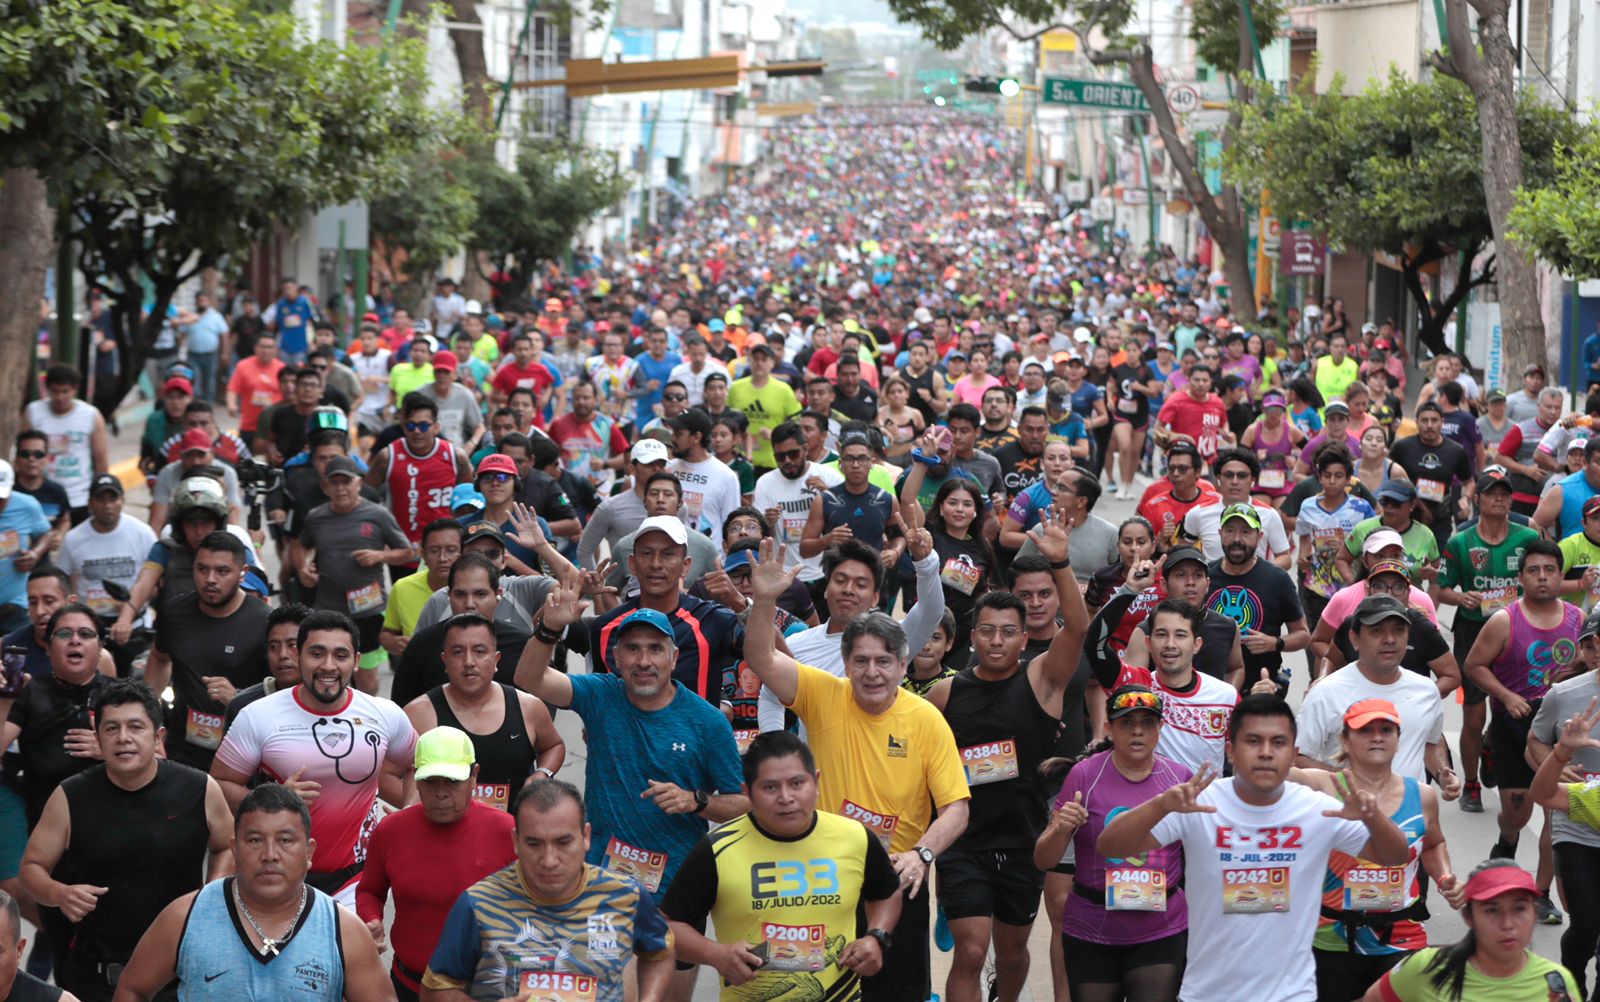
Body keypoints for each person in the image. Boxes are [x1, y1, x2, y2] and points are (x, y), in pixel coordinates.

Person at [743, 539, 971, 1002]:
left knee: (896, 993)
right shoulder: (822, 692)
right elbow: (762, 660)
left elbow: (957, 808)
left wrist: (922, 856)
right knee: (814, 989)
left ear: (902, 664)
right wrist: (764, 599)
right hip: (821, 877)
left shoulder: (925, 717)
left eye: (884, 661)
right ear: (845, 664)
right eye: (861, 661)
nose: (872, 673)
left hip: (897, 877)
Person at [1098, 694, 1411, 1002]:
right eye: (1253, 741)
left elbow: (1395, 856)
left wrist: (1373, 818)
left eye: (1278, 743)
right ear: (1231, 750)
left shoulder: (1319, 809)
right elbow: (1111, 846)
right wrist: (1160, 805)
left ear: (1293, 753)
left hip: (1291, 994)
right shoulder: (1198, 804)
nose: (1265, 753)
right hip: (1207, 994)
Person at [918, 507, 1086, 1002]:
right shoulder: (944, 695)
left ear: (1024, 637)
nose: (997, 641)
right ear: (972, 638)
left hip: (1024, 840)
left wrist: (1061, 564)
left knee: (1011, 955)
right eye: (987, 631)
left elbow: (1076, 630)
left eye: (1008, 632)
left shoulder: (1042, 680)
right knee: (971, 950)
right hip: (964, 841)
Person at [516, 591, 749, 924]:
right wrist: (549, 630)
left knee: (669, 974)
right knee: (609, 974)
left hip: (677, 889)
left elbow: (742, 803)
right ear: (616, 657)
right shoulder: (600, 693)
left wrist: (697, 801)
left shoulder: (708, 722)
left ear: (673, 657)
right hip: (602, 881)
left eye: (655, 649)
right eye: (633, 649)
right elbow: (529, 679)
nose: (643, 661)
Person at [19, 681, 233, 1002]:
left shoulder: (199, 787)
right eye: (112, 728)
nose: (123, 738)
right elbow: (31, 868)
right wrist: (59, 893)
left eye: (135, 727)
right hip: (98, 974)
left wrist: (210, 895)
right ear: (98, 738)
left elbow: (227, 845)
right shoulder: (70, 796)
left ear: (158, 736)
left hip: (182, 973)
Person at [659, 731, 903, 1002]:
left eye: (797, 783)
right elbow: (667, 925)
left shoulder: (855, 837)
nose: (786, 797)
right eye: (770, 787)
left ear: (817, 782)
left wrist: (876, 937)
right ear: (747, 793)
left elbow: (886, 892)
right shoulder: (716, 849)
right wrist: (715, 955)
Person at [111, 783, 392, 1001]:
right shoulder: (186, 917)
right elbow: (132, 989)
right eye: (255, 840)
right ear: (235, 849)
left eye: (285, 840)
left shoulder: (342, 930)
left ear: (309, 852)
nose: (270, 855)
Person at [210, 611, 417, 905]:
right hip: (277, 875)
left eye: (340, 655)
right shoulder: (258, 715)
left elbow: (418, 764)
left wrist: (409, 810)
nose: (328, 666)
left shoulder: (384, 713)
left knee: (348, 952)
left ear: (356, 661)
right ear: (298, 656)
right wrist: (270, 798)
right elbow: (218, 783)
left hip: (354, 879)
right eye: (317, 653)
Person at [421, 780, 676, 1002]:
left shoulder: (625, 896)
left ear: (586, 837)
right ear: (515, 841)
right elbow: (435, 990)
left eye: (563, 842)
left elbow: (660, 952)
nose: (549, 860)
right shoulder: (477, 905)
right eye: (534, 843)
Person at [1032, 685, 1191, 1002]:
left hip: (1162, 928)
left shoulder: (1179, 777)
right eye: (1126, 722)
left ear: (1161, 728)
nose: (1137, 732)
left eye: (1147, 722)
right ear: (1108, 727)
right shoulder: (1085, 775)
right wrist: (1061, 829)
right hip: (1093, 929)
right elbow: (1043, 860)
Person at [1299, 698, 1461, 1001]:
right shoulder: (1321, 787)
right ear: (1345, 740)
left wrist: (1445, 878)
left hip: (1401, 934)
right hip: (1332, 937)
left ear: (1399, 740)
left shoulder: (1422, 795)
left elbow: (1434, 842)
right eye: (1365, 730)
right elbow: (1278, 772)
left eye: (1386, 730)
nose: (1377, 737)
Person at [1463, 538, 1580, 924]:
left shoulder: (1578, 622)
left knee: (1555, 815)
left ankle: (1541, 892)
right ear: (1521, 578)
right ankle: (1507, 841)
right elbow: (1475, 665)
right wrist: (1507, 695)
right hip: (1514, 723)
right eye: (1533, 570)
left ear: (1561, 576)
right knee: (1516, 810)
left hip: (1560, 731)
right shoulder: (1504, 620)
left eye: (1549, 570)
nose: (1542, 577)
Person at [356, 727, 518, 1002]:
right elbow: (369, 890)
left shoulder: (506, 830)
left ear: (474, 776)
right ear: (415, 778)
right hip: (409, 986)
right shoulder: (391, 831)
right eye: (430, 781)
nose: (441, 793)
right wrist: (371, 920)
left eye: (452, 781)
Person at [1438, 469, 1542, 814]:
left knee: (1517, 707)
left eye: (1504, 493)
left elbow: (1547, 573)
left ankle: (1491, 746)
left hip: (1517, 633)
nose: (1499, 498)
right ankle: (1471, 782)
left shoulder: (1527, 537)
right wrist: (1461, 598)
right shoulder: (1460, 542)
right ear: (1477, 498)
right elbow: (1441, 590)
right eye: (1491, 492)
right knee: (1472, 715)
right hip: (1473, 635)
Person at [402, 613, 564, 813]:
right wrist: (414, 806)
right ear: (444, 660)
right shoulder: (418, 713)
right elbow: (388, 773)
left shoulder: (528, 707)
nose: (469, 661)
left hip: (515, 832)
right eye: (458, 652)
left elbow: (553, 746)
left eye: (480, 651)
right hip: (445, 835)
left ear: (496, 659)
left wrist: (542, 774)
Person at [1295, 594, 1456, 792]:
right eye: (1377, 631)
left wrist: (1442, 772)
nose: (1389, 640)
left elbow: (1430, 741)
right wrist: (1349, 783)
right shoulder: (1326, 692)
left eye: (1399, 631)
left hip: (1411, 816)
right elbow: (1298, 758)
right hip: (1350, 817)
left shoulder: (1427, 690)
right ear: (1355, 638)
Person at [1363, 860, 1580, 1001]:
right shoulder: (1425, 967)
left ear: (1535, 914)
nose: (1507, 923)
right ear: (1469, 917)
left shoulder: (1556, 982)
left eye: (1519, 909)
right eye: (1492, 910)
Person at [143, 531, 270, 771]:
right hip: (183, 749)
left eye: (222, 571)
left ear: (242, 573)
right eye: (202, 569)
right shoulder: (174, 613)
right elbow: (160, 658)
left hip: (242, 753)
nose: (210, 579)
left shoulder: (265, 622)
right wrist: (148, 712)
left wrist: (238, 697)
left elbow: (281, 691)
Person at [290, 456, 414, 693]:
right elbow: (300, 545)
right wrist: (303, 567)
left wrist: (379, 556)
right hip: (327, 607)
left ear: (358, 484)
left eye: (345, 482)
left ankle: (364, 717)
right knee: (325, 669)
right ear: (325, 487)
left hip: (367, 609)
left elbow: (407, 552)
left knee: (366, 678)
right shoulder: (316, 516)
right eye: (334, 482)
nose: (340, 488)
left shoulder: (377, 514)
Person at [1527, 625, 1600, 997]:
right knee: (1586, 924)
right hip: (1577, 818)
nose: (1596, 649)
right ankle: (1572, 980)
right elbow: (1534, 744)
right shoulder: (1564, 694)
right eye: (1590, 642)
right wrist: (1559, 756)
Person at [1204, 503, 1310, 690]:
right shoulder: (1203, 577)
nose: (1237, 539)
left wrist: (1274, 643)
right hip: (1209, 689)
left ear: (1260, 537)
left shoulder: (1277, 579)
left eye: (1246, 532)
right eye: (1230, 531)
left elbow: (1303, 635)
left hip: (1262, 688)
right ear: (1220, 534)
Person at [364, 392, 474, 553]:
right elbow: (366, 497)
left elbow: (470, 499)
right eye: (411, 426)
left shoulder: (455, 456)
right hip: (403, 551)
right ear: (403, 427)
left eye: (423, 426)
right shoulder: (387, 456)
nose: (416, 431)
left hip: (446, 553)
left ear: (436, 427)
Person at [53, 475, 156, 639]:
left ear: (122, 500)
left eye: (113, 499)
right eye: (101, 500)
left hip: (136, 627)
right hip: (89, 630)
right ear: (90, 503)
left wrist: (128, 610)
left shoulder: (143, 534)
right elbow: (61, 584)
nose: (107, 506)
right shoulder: (73, 539)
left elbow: (156, 582)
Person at [754, 420, 843, 598]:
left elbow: (849, 522)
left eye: (793, 454)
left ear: (805, 448)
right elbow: (761, 537)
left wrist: (827, 495)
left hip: (824, 573)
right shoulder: (765, 483)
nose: (787, 461)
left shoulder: (829, 477)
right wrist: (768, 523)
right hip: (784, 575)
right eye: (780, 456)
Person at [22, 366, 108, 525]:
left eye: (65, 391)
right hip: (44, 495)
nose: (60, 397)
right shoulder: (33, 412)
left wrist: (99, 495)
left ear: (75, 389)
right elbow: (23, 452)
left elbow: (101, 460)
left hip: (79, 496)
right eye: (55, 391)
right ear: (47, 389)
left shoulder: (91, 415)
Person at [1180, 449, 1292, 565]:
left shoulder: (1269, 514)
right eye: (1228, 475)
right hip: (1213, 582)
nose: (1235, 481)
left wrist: (1262, 575)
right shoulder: (1198, 513)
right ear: (1218, 478)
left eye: (1242, 476)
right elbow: (1182, 550)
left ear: (1253, 479)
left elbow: (1285, 557)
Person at [1391, 403, 1475, 548]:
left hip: (1440, 520)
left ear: (1442, 422)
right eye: (1424, 420)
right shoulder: (1402, 447)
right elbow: (1388, 474)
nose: (1429, 425)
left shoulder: (1455, 451)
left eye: (1434, 420)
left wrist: (1466, 499)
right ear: (1416, 422)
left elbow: (1469, 482)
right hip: (1406, 518)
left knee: (1436, 565)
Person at [665, 410, 741, 546]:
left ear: (696, 437)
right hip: (670, 554)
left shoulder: (726, 476)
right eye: (673, 433)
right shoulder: (668, 469)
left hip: (709, 560)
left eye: (679, 434)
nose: (673, 439)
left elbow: (733, 525)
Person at [0, 464, 54, 636]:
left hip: (15, 606)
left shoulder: (27, 506)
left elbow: (46, 533)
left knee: (18, 660)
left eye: (2, 497)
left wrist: (35, 553)